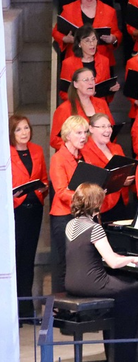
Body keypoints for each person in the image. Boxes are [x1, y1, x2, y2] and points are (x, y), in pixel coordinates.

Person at [65, 183, 138, 362]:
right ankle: (135, 354)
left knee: (125, 287)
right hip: (93, 283)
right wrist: (132, 259)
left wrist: (121, 256)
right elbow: (113, 263)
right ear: (96, 203)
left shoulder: (71, 224)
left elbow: (93, 253)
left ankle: (118, 350)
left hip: (72, 282)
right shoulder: (94, 228)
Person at [10, 115, 48, 321]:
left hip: (34, 209)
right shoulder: (6, 152)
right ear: (11, 133)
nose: (24, 132)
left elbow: (43, 179)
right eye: (18, 129)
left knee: (27, 260)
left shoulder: (37, 150)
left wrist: (43, 189)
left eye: (26, 128)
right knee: (14, 260)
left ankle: (26, 311)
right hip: (15, 211)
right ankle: (12, 311)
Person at [49, 115, 90, 293]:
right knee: (64, 262)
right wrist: (87, 198)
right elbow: (61, 191)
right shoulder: (58, 158)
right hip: (63, 216)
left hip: (80, 215)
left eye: (85, 132)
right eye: (79, 133)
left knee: (79, 261)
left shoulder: (82, 157)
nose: (83, 137)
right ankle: (61, 308)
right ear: (67, 135)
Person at [52, 0, 121, 65]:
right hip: (75, 61)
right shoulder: (68, 9)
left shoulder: (109, 11)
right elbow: (56, 32)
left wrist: (113, 39)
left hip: (101, 62)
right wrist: (65, 39)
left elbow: (117, 34)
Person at [82, 113, 133, 222]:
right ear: (91, 128)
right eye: (103, 126)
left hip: (120, 200)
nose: (108, 130)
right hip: (99, 205)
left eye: (109, 126)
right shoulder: (84, 150)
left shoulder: (117, 148)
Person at [51, 68, 113, 150]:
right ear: (75, 84)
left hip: (101, 152)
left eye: (92, 79)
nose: (91, 83)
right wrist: (78, 148)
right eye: (86, 80)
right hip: (78, 155)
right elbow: (55, 140)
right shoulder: (64, 109)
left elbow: (112, 128)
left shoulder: (102, 103)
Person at [59, 25, 117, 102]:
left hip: (100, 107)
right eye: (87, 41)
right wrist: (82, 98)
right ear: (79, 44)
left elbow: (106, 91)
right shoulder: (68, 63)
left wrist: (112, 89)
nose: (92, 44)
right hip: (78, 109)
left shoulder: (104, 61)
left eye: (94, 39)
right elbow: (64, 93)